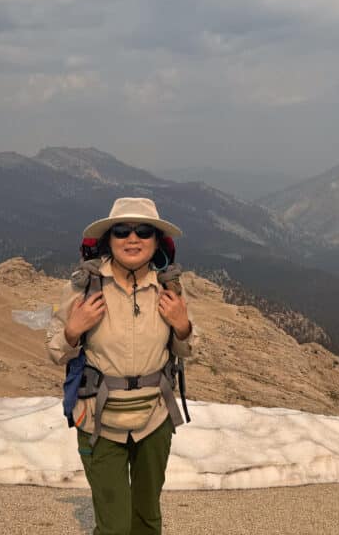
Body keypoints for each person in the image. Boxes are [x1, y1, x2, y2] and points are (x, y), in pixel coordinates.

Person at [46, 197, 200, 535]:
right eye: (122, 231)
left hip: (155, 418)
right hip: (100, 421)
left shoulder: (168, 287)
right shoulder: (83, 288)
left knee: (147, 518)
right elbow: (56, 350)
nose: (133, 239)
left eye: (144, 231)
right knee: (113, 525)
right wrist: (74, 328)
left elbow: (186, 349)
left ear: (157, 241)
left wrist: (182, 325)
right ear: (108, 240)